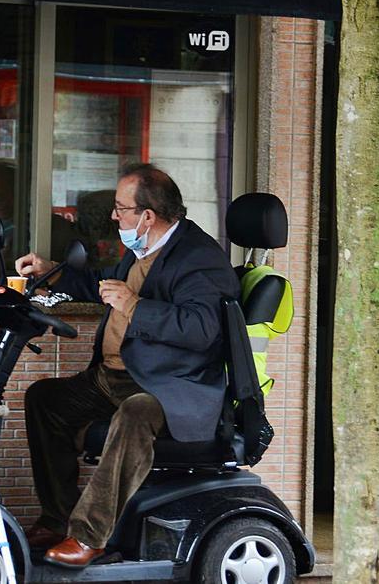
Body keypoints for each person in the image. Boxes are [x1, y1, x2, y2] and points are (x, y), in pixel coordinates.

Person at [14, 163, 239, 568]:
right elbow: (101, 286)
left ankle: (88, 537)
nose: (115, 216)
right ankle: (56, 519)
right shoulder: (144, 250)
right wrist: (51, 274)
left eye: (121, 208)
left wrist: (135, 306)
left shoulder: (199, 258)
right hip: (116, 377)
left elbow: (202, 328)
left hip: (169, 388)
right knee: (45, 399)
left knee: (135, 413)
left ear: (147, 216)